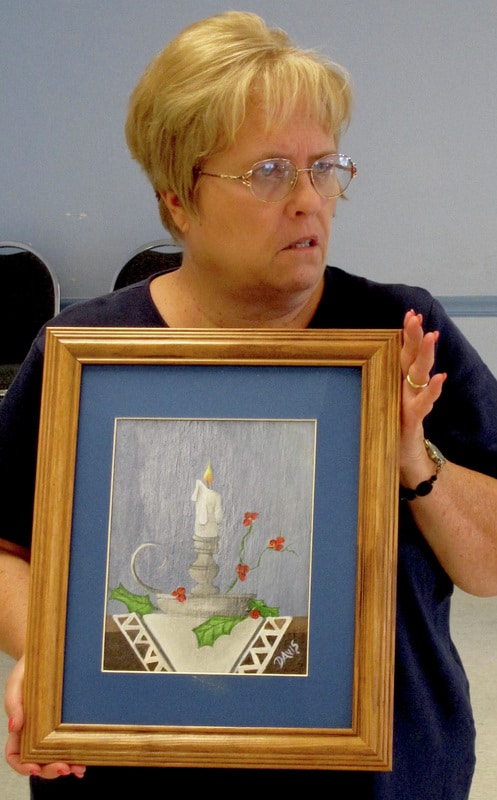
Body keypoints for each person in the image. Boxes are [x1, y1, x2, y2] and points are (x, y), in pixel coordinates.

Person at [2, 10, 497, 799]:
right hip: (138, 770)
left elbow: (488, 566)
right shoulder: (88, 354)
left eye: (323, 167)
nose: (308, 200)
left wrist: (413, 458)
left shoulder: (402, 335)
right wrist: (52, 656)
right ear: (177, 200)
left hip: (381, 774)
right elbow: (8, 551)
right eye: (268, 172)